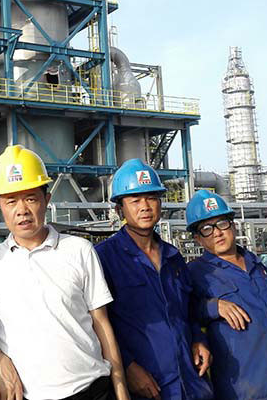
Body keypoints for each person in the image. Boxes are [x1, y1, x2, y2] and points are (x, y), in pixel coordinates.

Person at [0, 145, 129, 400]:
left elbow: (101, 323)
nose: (22, 210)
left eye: (30, 198)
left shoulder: (79, 250)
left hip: (93, 390)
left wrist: (121, 390)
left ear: (46, 199)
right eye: (11, 201)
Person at [95, 159, 214, 400]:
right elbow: (95, 323)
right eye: (135, 200)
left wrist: (198, 339)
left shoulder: (173, 257)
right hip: (148, 385)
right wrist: (127, 367)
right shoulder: (104, 258)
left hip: (191, 382)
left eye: (151, 198)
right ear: (119, 210)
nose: (145, 206)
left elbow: (188, 310)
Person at [186, 189, 267, 400]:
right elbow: (183, 314)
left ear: (233, 226)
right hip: (247, 389)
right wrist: (214, 306)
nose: (217, 233)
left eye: (222, 223)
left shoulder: (256, 263)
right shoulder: (196, 273)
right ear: (198, 239)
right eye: (206, 229)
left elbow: (263, 300)